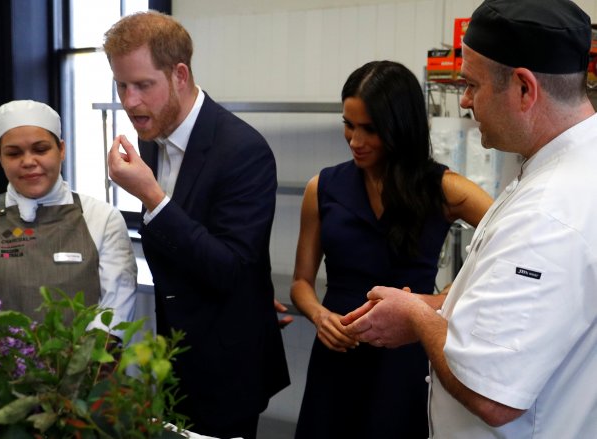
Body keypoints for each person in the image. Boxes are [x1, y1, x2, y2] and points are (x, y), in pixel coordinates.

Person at [341, 1, 597, 437]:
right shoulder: (558, 171)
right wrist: (431, 305)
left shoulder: (550, 212)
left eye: (471, 85)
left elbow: (492, 395)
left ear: (523, 89)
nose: (463, 101)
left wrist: (418, 319)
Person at [104, 11, 289, 439]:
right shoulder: (153, 140)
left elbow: (230, 267)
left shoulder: (243, 150)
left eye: (143, 85)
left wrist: (151, 196)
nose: (129, 102)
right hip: (176, 362)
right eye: (121, 86)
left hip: (227, 370)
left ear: (179, 75)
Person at [290, 60, 493, 438]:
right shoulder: (322, 189)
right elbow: (301, 282)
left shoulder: (446, 189)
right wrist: (319, 316)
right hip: (338, 358)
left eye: (369, 129)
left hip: (405, 360)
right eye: (348, 125)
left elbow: (510, 243)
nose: (355, 140)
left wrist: (442, 300)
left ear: (399, 126)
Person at [0, 100, 137, 337]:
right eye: (14, 153)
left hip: (86, 368)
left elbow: (115, 309)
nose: (28, 162)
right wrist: (4, 366)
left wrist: (75, 367)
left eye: (41, 149)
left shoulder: (103, 218)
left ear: (61, 149)